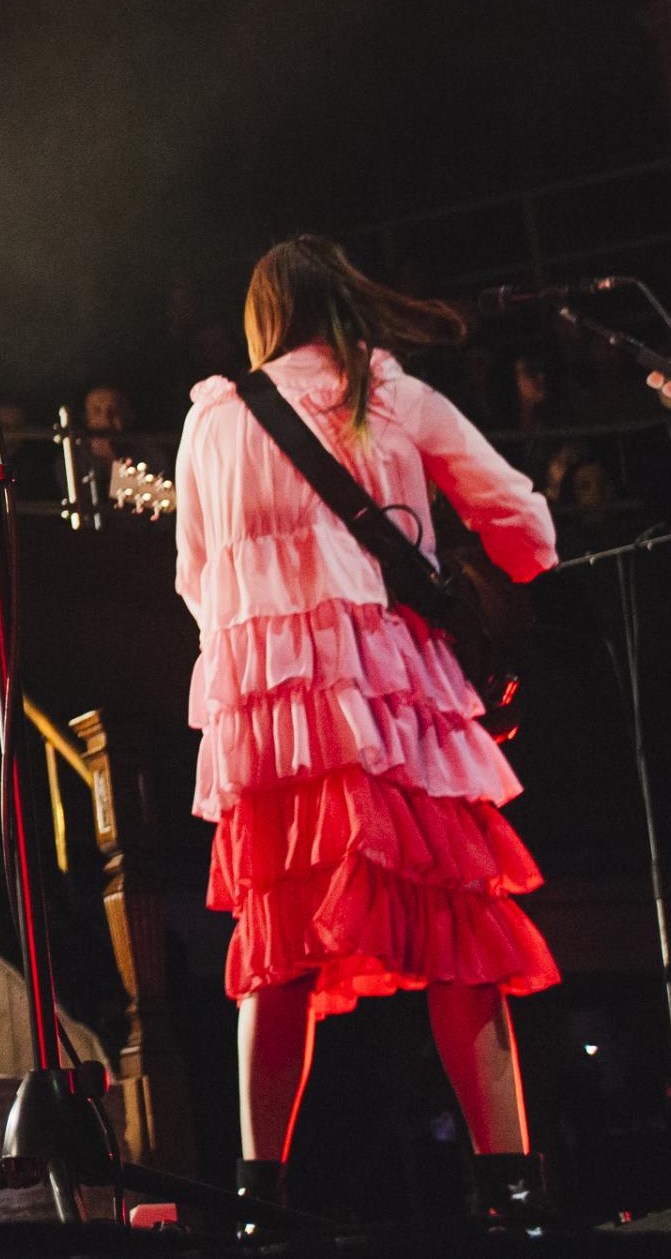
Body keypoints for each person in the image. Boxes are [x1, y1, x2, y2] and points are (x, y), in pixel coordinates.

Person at [174, 237, 560, 1218]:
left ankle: (259, 1194)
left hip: (273, 717)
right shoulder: (388, 397)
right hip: (394, 701)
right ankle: (509, 1190)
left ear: (266, 315)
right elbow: (525, 532)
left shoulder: (213, 422)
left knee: (277, 948)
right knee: (461, 938)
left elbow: (195, 584)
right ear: (345, 306)